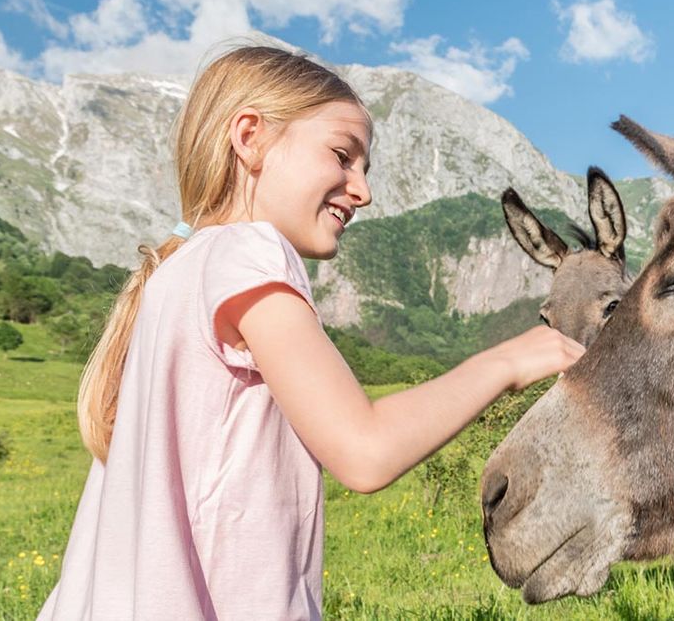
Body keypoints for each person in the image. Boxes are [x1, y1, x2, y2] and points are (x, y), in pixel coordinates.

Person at [38, 45, 584, 620]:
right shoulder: (249, 251)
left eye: (364, 169)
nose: (362, 191)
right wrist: (505, 362)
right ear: (249, 137)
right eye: (342, 156)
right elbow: (364, 451)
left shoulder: (175, 276)